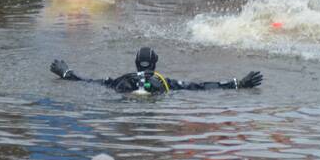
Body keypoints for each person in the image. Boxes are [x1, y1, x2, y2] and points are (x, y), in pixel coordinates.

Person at [51, 47, 262, 94]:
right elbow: (203, 86)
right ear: (156, 63)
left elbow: (86, 81)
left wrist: (66, 72)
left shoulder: (119, 81)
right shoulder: (167, 82)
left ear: (135, 63)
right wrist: (238, 83)